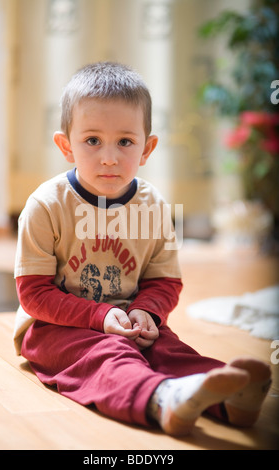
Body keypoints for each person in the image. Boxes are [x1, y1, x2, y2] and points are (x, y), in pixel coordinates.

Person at [13, 62, 271, 437]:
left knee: (170, 349)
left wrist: (147, 311)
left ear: (147, 148)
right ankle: (161, 400)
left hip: (130, 320)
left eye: (125, 142)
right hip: (55, 327)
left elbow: (164, 280)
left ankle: (229, 398)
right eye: (92, 140)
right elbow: (34, 294)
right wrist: (99, 317)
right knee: (107, 357)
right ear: (66, 145)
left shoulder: (153, 205)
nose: (109, 157)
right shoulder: (46, 205)